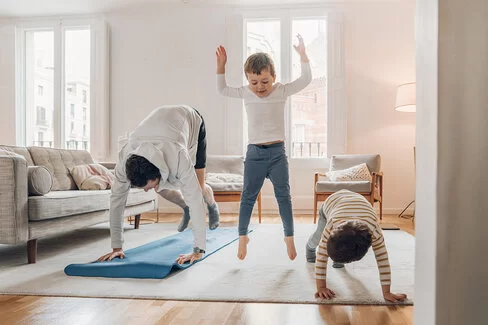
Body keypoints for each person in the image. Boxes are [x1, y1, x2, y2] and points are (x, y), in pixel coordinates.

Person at [215, 34, 312, 260]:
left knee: (283, 196)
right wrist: (221, 66)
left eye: (265, 82)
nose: (260, 87)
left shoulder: (281, 91)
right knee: (247, 196)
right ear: (248, 80)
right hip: (254, 154)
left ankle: (289, 238)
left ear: (274, 77)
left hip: (277, 153)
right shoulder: (244, 92)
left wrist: (303, 56)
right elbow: (222, 89)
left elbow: (305, 80)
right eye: (254, 82)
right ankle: (242, 238)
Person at [97, 105, 220, 265]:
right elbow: (116, 201)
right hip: (161, 127)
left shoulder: (178, 156)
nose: (147, 190)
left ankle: (212, 206)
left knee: (199, 188)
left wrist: (198, 250)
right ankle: (185, 208)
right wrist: (116, 247)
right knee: (160, 188)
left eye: (147, 186)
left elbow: (195, 199)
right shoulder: (124, 158)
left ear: (158, 172)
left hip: (191, 121)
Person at [307, 189, 407, 303]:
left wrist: (387, 292)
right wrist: (321, 287)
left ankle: (339, 261)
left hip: (354, 203)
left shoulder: (375, 231)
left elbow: (382, 260)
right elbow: (321, 255)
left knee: (343, 250)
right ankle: (309, 248)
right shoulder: (332, 225)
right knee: (318, 237)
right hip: (331, 204)